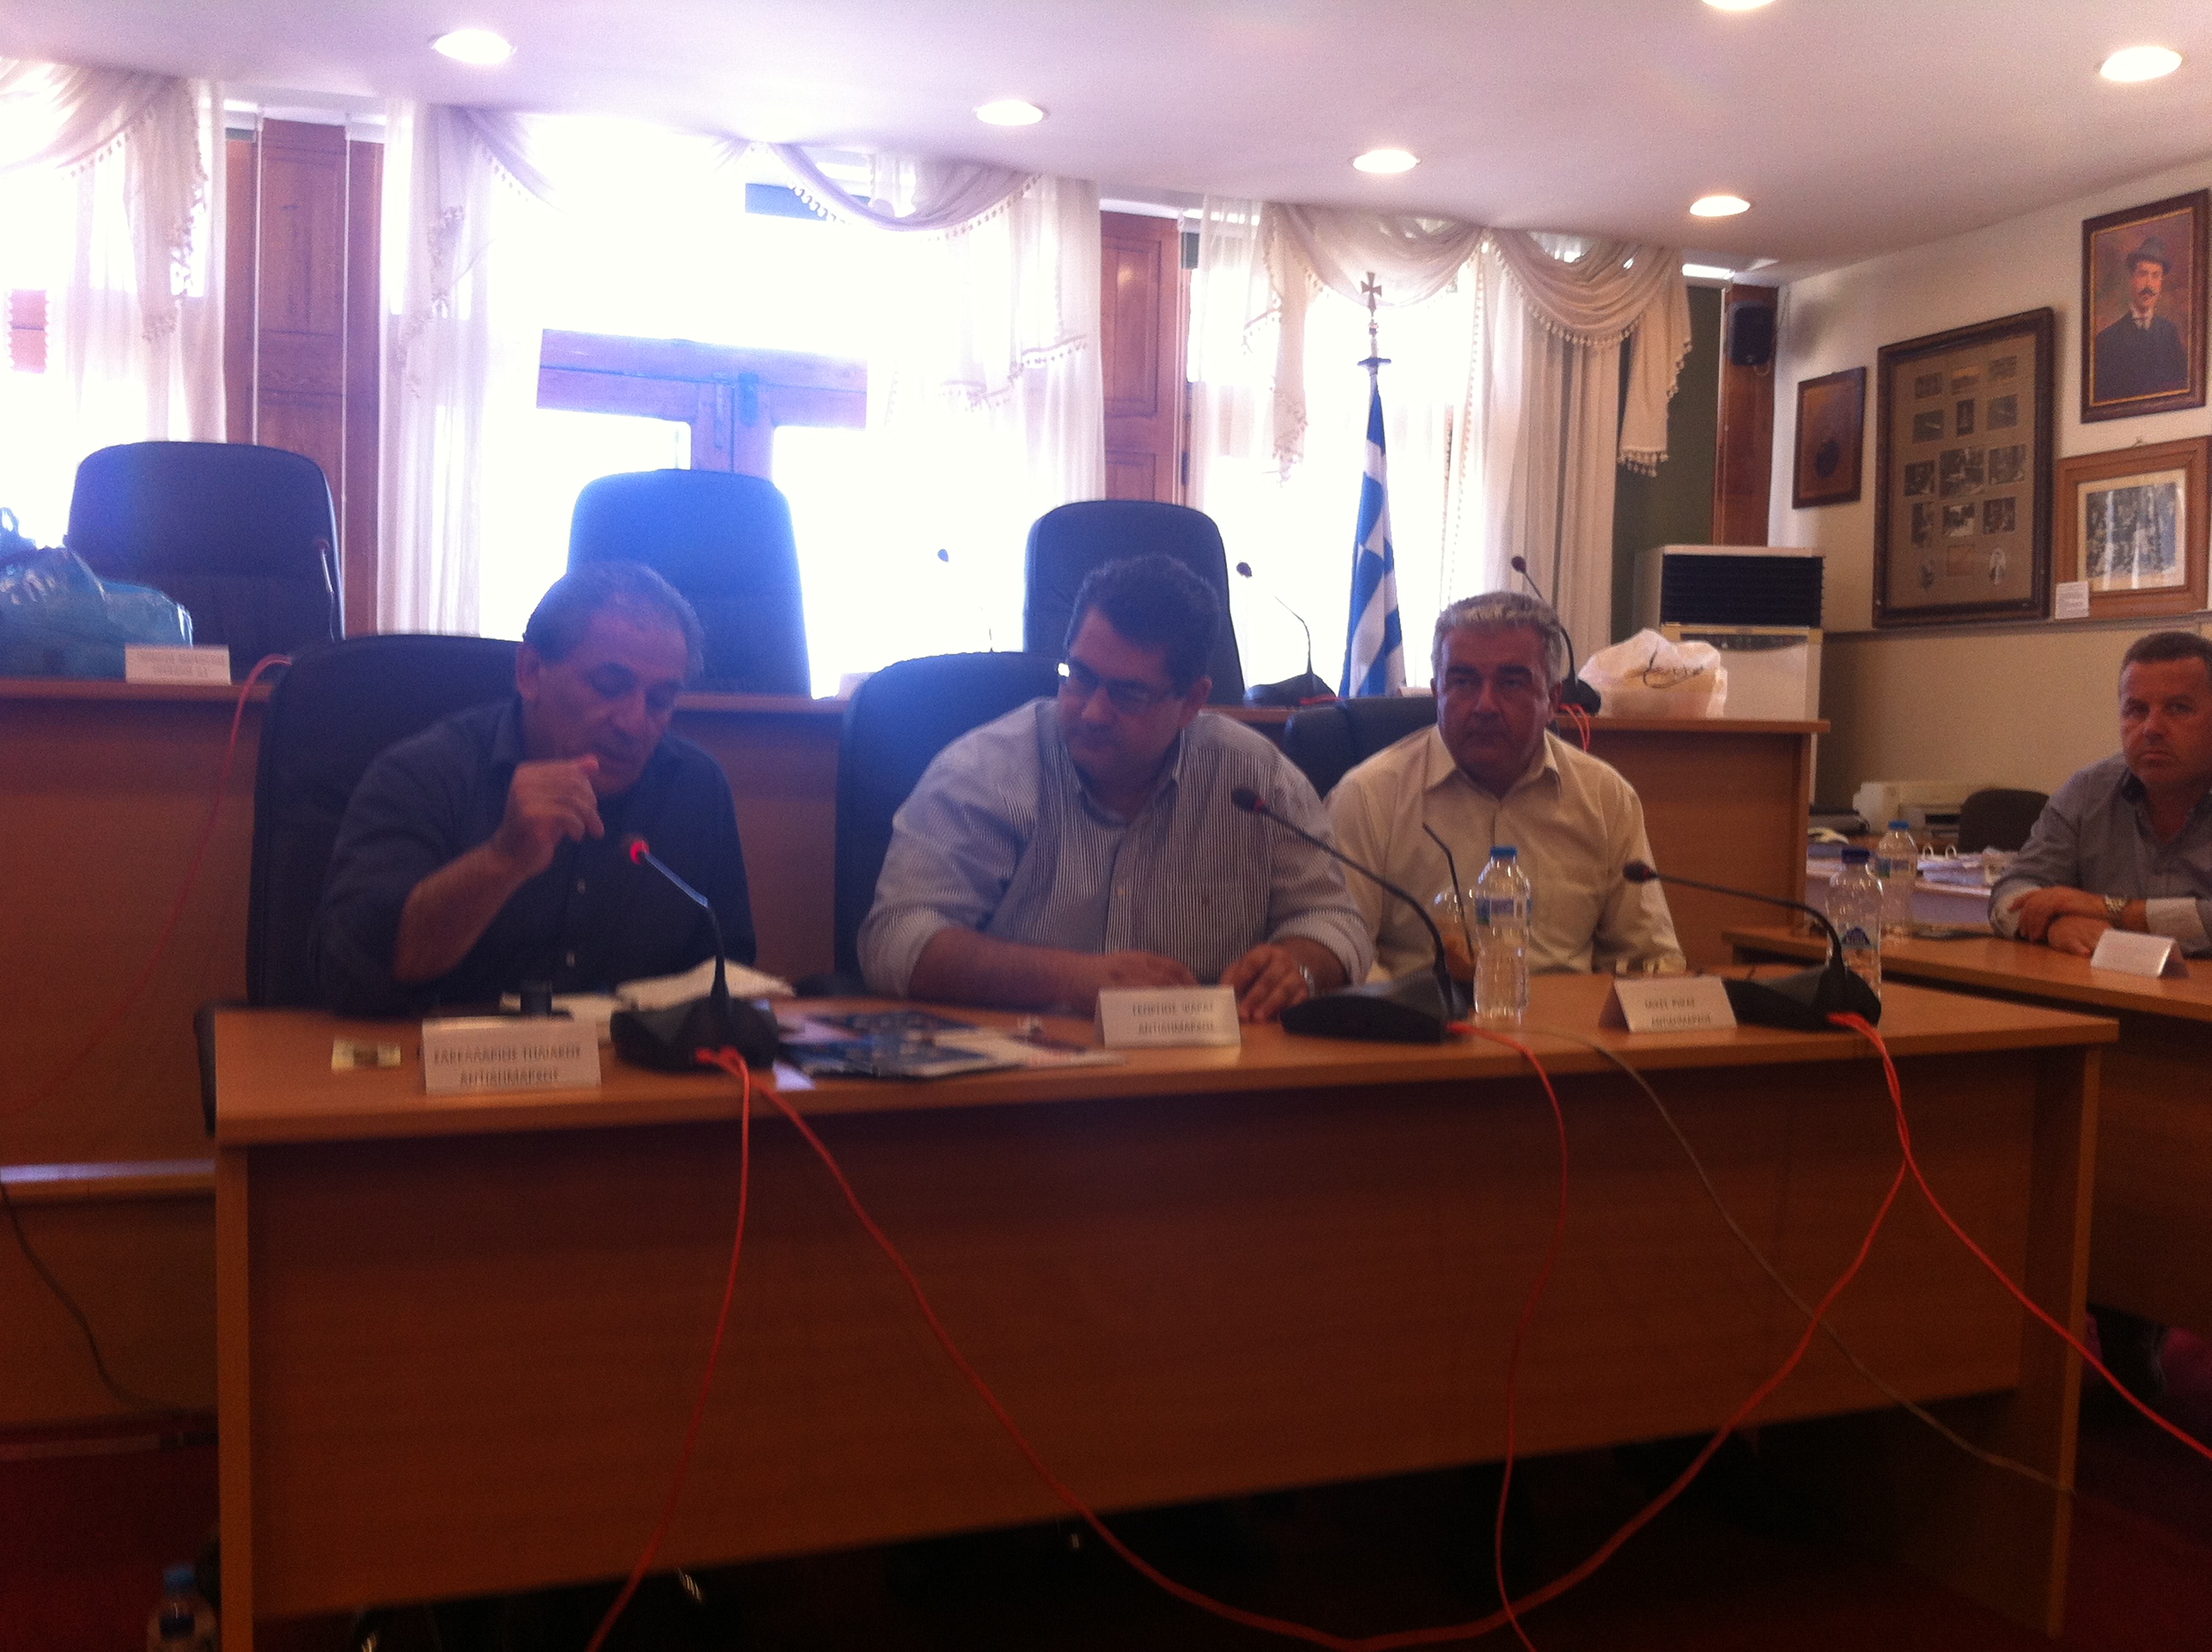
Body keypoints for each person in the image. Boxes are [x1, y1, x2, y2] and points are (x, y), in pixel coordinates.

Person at [859, 554, 1371, 1020]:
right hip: (1025, 1074)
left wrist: (1299, 966)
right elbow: (896, 940)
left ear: (1192, 702)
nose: (1092, 712)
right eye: (1079, 676)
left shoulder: (1256, 779)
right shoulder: (985, 772)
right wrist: (1070, 978)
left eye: (1129, 695)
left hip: (1204, 1074)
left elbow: (1334, 920)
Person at [313, 561, 755, 1015]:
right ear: (530, 671)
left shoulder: (696, 789)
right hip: (445, 1056)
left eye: (660, 700)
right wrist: (502, 860)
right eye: (609, 686)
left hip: (631, 1058)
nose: (634, 723)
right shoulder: (424, 774)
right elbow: (355, 975)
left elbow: (727, 972)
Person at [1992, 627, 2212, 1402]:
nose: (2151, 728)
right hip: (2118, 1032)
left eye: (2178, 708)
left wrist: (2111, 910)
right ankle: (2118, 1308)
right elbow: (2010, 892)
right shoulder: (2090, 791)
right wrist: (2052, 923)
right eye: (2134, 709)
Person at [1328, 590, 1681, 980]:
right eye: (1463, 682)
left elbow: (1647, 956)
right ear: (1437, 692)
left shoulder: (1604, 796)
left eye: (1511, 683)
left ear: (1552, 699)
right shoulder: (1370, 796)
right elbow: (1342, 952)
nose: (1485, 705)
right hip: (1420, 1013)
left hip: (1565, 1014)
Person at [2091, 236, 2189, 404]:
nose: (2148, 285)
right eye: (2143, 274)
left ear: (2161, 283)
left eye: (2155, 276)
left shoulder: (2170, 332)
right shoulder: (2107, 339)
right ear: (2132, 278)